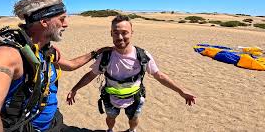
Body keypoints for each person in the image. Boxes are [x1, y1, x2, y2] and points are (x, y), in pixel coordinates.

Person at [0, 0, 108, 132]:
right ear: (44, 22)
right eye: (62, 19)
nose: (66, 24)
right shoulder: (8, 54)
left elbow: (71, 65)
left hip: (54, 124)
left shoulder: (46, 51)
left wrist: (96, 52)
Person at [66, 15, 196, 132]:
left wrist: (181, 91)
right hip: (110, 99)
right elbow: (91, 75)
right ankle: (110, 130)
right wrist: (75, 89)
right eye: (116, 33)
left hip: (135, 99)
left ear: (132, 33)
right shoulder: (105, 56)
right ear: (111, 33)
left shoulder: (142, 56)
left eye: (124, 33)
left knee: (133, 119)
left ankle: (131, 130)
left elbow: (159, 75)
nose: (120, 37)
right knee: (110, 118)